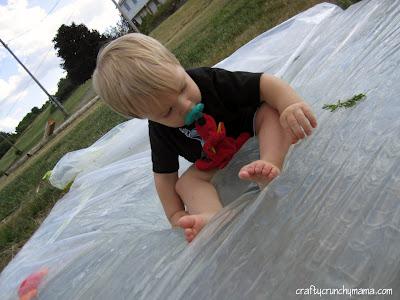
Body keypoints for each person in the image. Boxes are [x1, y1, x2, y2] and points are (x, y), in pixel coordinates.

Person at [92, 33, 317, 243]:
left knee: (270, 113)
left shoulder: (209, 81)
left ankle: (269, 163)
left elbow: (265, 84)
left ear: (177, 63)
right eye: (168, 111)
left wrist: (290, 105)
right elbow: (164, 177)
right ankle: (213, 216)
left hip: (249, 128)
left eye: (182, 87)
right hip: (214, 158)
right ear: (143, 116)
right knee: (186, 183)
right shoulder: (160, 131)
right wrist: (175, 214)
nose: (186, 105)